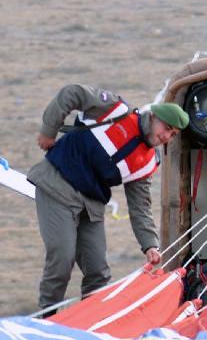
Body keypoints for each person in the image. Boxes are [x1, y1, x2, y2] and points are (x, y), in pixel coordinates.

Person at [28, 84, 189, 311]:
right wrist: (48, 131)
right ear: (153, 117)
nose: (166, 137)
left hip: (91, 205)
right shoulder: (115, 109)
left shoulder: (147, 163)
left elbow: (140, 207)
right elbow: (72, 93)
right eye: (167, 128)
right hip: (57, 186)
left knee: (98, 271)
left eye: (173, 135)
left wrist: (149, 245)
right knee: (62, 259)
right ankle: (46, 316)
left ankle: (90, 319)